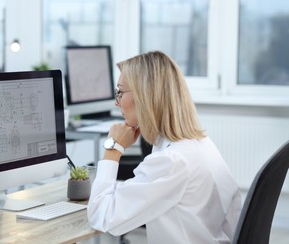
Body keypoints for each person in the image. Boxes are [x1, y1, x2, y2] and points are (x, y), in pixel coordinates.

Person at [87, 51, 242, 243]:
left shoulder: (172, 161)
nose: (116, 102)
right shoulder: (200, 144)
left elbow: (101, 217)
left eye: (120, 92)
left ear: (145, 96)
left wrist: (113, 148)